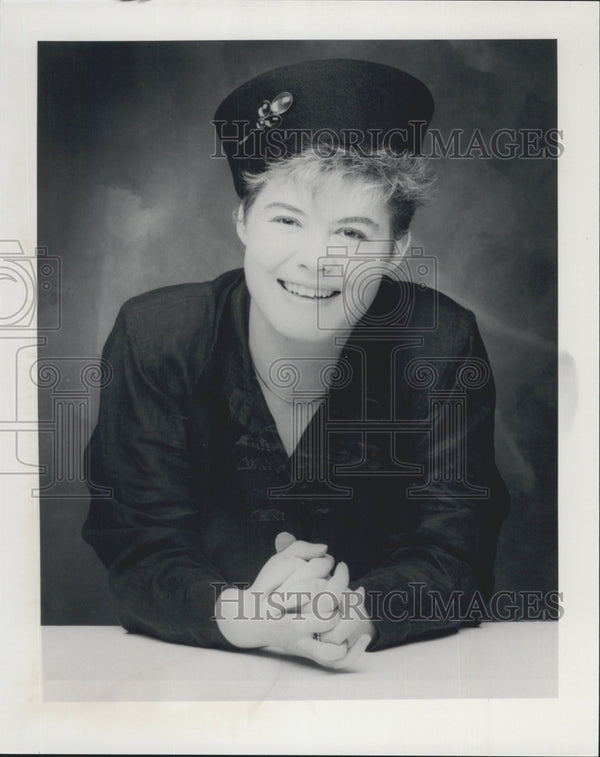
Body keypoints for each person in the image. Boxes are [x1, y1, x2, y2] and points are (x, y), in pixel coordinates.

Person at [83, 59, 509, 669]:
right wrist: (248, 616)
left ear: (397, 250)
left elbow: (455, 549)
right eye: (287, 220)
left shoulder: (440, 343)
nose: (317, 260)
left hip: (385, 682)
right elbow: (140, 547)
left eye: (354, 234)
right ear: (243, 223)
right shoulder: (157, 337)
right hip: (200, 680)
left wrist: (353, 612)